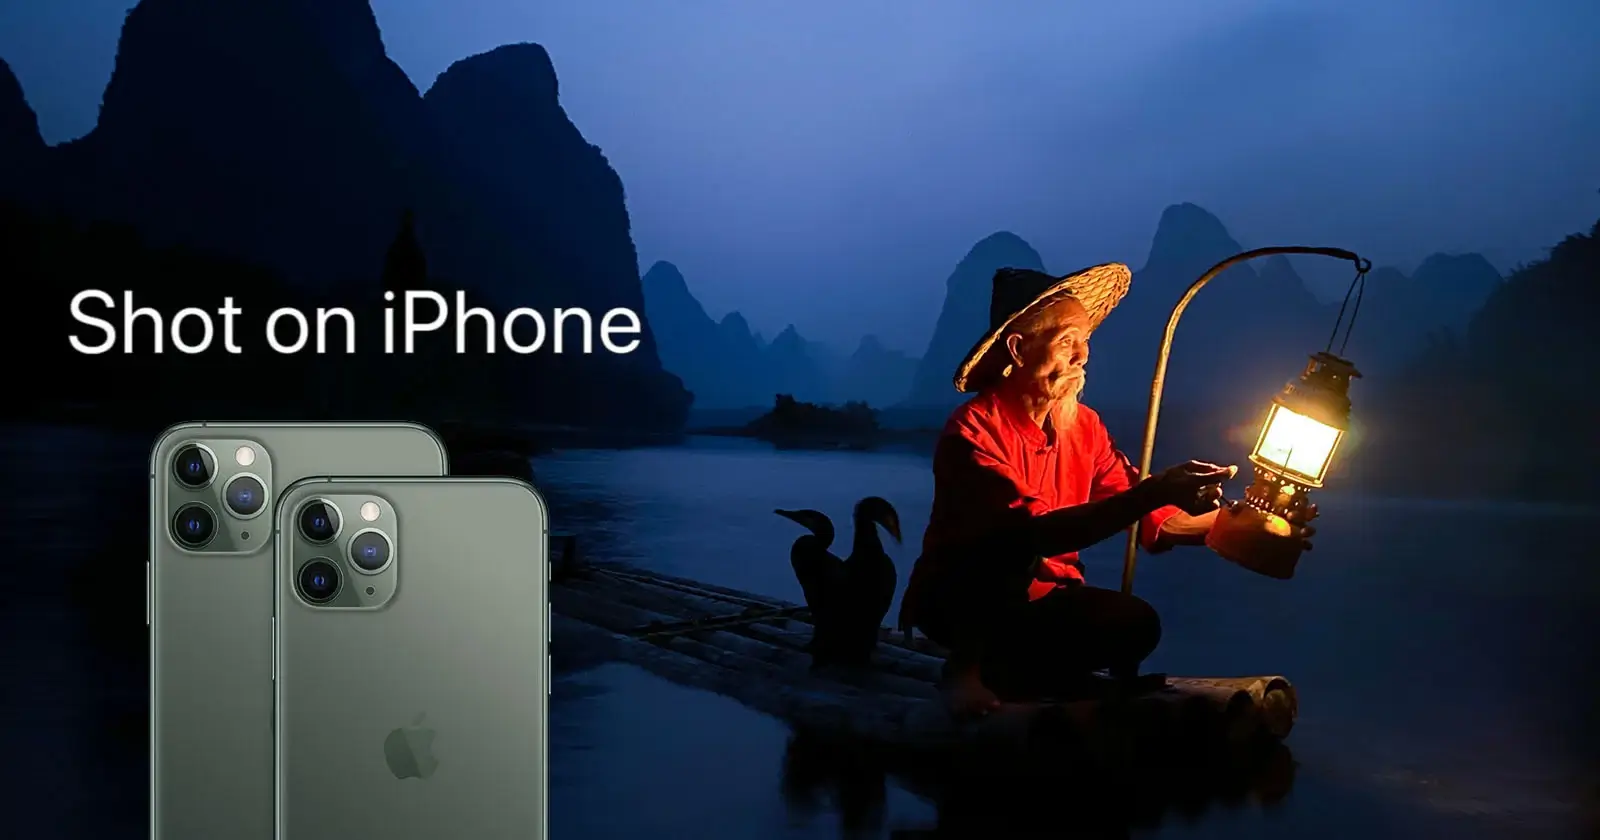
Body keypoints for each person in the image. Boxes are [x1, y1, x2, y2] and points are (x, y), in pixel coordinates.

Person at [896, 263, 1315, 717]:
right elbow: (1038, 534)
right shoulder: (973, 432)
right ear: (1018, 349)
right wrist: (1154, 492)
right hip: (962, 604)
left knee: (1135, 624)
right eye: (1066, 342)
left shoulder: (1084, 427)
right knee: (1010, 545)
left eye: (1086, 341)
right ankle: (964, 673)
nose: (1082, 356)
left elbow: (1160, 519)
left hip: (1040, 604)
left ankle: (1026, 672)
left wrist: (1253, 523)